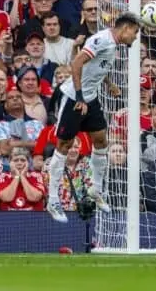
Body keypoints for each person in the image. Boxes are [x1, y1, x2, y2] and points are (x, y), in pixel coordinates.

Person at [47, 13, 141, 223]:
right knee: (64, 145)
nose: (134, 38)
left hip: (90, 97)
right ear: (125, 28)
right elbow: (77, 63)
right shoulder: (102, 40)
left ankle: (96, 190)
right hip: (73, 97)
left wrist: (109, 84)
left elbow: (96, 66)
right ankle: (52, 200)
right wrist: (79, 97)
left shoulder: (112, 44)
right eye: (134, 33)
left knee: (101, 140)